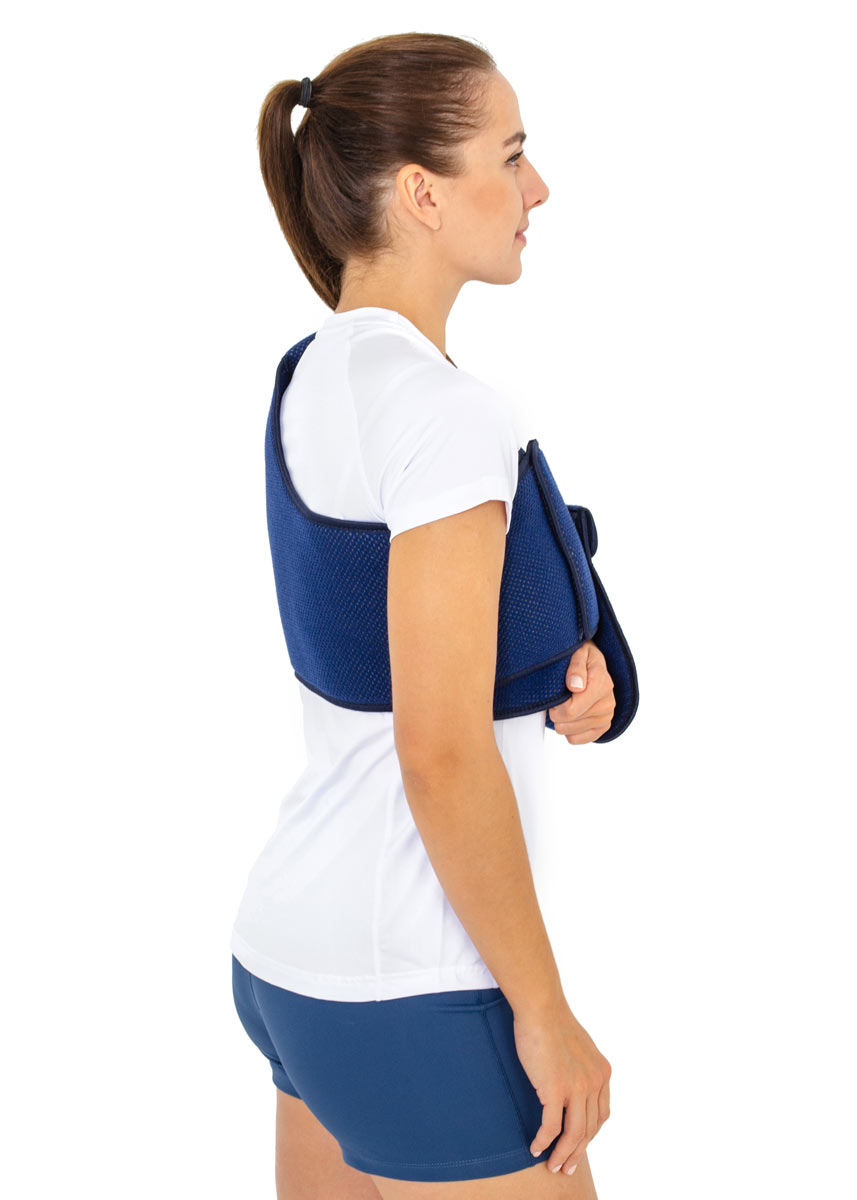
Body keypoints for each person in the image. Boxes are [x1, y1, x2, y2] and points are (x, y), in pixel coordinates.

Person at [230, 31, 615, 1199]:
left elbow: (366, 639)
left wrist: (558, 668)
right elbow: (437, 751)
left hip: (290, 959)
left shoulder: (310, 374)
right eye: (510, 154)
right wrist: (543, 1010)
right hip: (415, 977)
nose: (535, 188)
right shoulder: (446, 414)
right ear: (422, 194)